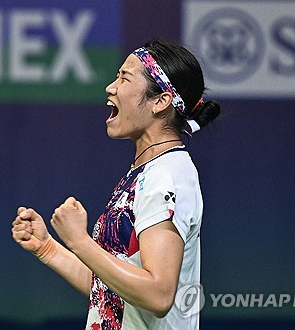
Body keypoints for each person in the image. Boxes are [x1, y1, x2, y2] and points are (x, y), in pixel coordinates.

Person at [12, 40, 220, 330]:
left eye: (124, 78)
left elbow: (158, 295)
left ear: (160, 100)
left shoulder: (166, 175)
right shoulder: (145, 171)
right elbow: (113, 293)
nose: (111, 87)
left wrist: (79, 241)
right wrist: (49, 248)